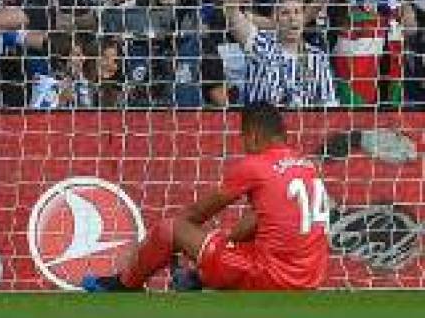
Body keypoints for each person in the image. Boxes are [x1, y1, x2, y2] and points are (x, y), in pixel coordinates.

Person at [84, 102, 329, 292]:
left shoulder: (254, 166)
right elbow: (259, 220)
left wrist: (159, 248)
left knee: (170, 229)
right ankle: (199, 277)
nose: (243, 145)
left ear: (253, 134)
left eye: (243, 137)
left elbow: (196, 215)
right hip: (310, 278)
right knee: (244, 239)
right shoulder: (307, 165)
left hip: (272, 278)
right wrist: (225, 247)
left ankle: (124, 284)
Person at [225, 0, 337, 107]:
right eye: (285, 13)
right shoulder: (261, 45)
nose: (292, 18)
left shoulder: (318, 58)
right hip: (264, 123)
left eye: (297, 12)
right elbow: (232, 14)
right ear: (275, 19)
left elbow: (329, 106)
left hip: (305, 125)